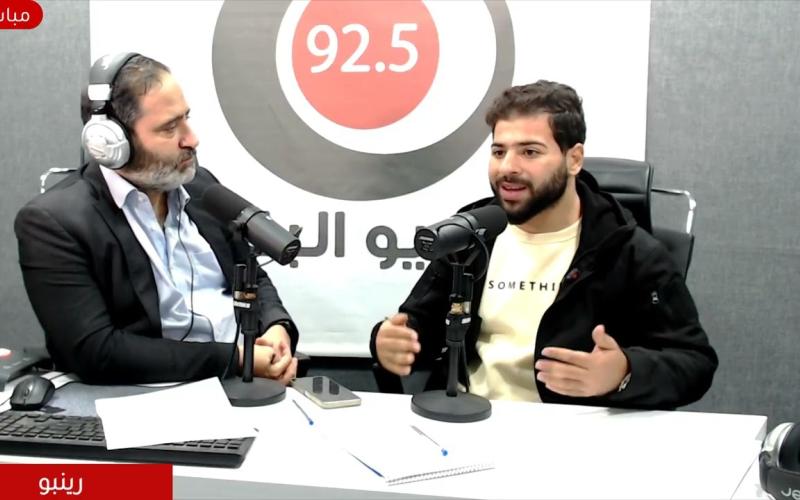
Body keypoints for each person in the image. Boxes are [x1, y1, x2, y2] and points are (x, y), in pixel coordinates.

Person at [370, 80, 717, 409]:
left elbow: (694, 362)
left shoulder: (627, 249)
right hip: (467, 418)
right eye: (499, 151)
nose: (508, 167)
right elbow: (416, 328)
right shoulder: (473, 233)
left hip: (570, 431)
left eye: (530, 152)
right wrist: (387, 343)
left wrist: (623, 372)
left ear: (574, 159)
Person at [14, 53, 299, 385]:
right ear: (109, 142)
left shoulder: (200, 186)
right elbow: (96, 351)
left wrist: (275, 325)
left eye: (185, 118)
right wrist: (236, 359)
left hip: (244, 382)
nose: (191, 139)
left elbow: (250, 275)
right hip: (145, 393)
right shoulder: (53, 223)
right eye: (169, 127)